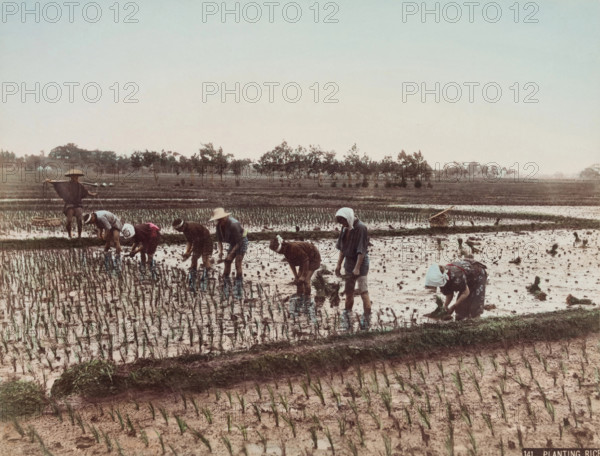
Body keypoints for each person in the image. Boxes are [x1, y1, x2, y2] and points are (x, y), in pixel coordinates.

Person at [334, 207, 371, 330]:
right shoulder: (345, 228)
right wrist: (339, 265)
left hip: (361, 264)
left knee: (363, 291)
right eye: (341, 223)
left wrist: (357, 268)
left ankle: (366, 322)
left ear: (349, 218)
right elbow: (342, 249)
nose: (343, 225)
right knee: (349, 292)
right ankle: (347, 320)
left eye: (344, 222)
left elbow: (362, 250)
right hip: (349, 263)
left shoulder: (361, 228)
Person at [45, 169, 97, 239]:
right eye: (74, 177)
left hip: (78, 204)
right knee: (69, 221)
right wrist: (50, 181)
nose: (75, 178)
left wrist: (93, 194)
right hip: (70, 204)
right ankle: (69, 235)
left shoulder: (80, 185)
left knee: (79, 220)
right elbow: (57, 184)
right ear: (71, 177)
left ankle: (79, 236)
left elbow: (86, 192)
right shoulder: (66, 184)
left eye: (76, 177)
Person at [269, 235, 321, 303]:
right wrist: (296, 276)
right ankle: (300, 296)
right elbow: (291, 263)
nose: (279, 253)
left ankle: (307, 299)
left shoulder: (293, 248)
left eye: (279, 251)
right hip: (305, 258)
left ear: (281, 247)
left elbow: (305, 260)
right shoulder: (285, 251)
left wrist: (303, 275)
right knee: (298, 281)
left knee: (305, 280)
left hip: (313, 257)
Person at [209, 208, 248, 298]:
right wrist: (220, 252)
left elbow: (239, 242)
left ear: (224, 219)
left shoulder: (234, 225)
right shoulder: (218, 226)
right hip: (233, 243)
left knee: (238, 263)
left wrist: (230, 254)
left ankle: (239, 284)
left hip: (241, 242)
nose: (217, 222)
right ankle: (225, 280)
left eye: (219, 220)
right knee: (227, 261)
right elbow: (219, 241)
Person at [172, 218, 213, 291]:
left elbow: (195, 243)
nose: (178, 231)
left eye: (178, 230)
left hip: (206, 240)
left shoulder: (192, 228)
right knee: (194, 259)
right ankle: (192, 280)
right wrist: (186, 252)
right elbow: (189, 241)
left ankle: (206, 280)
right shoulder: (185, 230)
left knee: (205, 259)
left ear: (182, 226)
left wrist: (189, 253)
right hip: (198, 241)